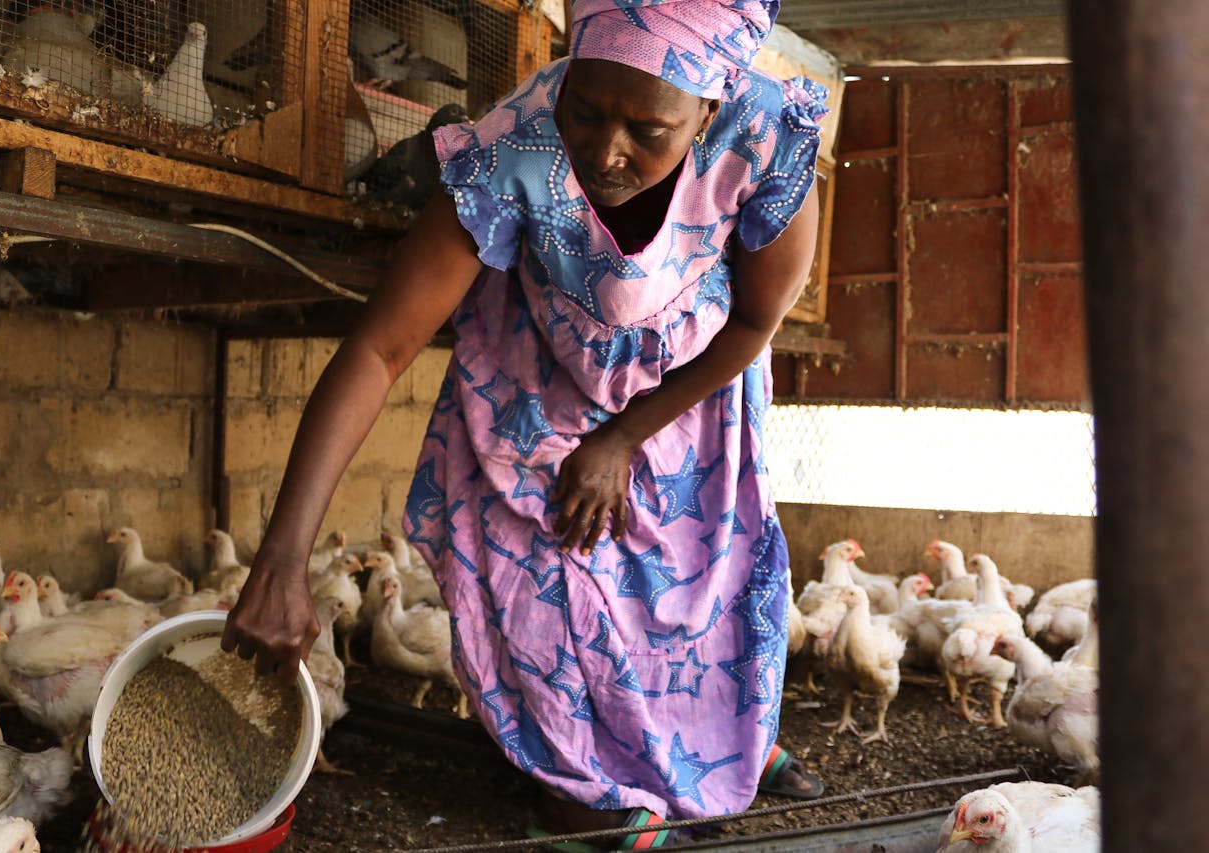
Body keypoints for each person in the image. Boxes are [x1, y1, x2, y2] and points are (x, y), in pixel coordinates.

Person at [223, 0, 827, 846]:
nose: (606, 151)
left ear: (709, 107)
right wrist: (283, 558)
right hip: (541, 381)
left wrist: (625, 436)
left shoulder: (762, 133)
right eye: (587, 109)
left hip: (694, 386)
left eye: (647, 130)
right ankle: (574, 786)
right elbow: (380, 348)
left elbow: (758, 320)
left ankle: (717, 742)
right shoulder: (516, 146)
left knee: (690, 585)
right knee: (547, 578)